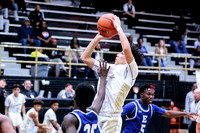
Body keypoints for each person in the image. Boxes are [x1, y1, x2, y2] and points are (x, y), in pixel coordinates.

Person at [80, 16, 144, 132]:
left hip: (111, 118)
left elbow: (126, 48)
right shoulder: (108, 67)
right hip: (96, 114)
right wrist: (97, 38)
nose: (118, 54)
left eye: (122, 54)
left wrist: (118, 28)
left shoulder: (131, 71)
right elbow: (84, 57)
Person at [121, 84, 198, 133]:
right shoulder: (132, 106)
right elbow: (117, 114)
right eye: (148, 94)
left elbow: (168, 113)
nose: (151, 97)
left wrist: (186, 113)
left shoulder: (152, 107)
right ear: (142, 95)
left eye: (152, 95)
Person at [62, 60, 109, 132]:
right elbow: (101, 97)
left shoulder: (71, 118)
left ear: (74, 96)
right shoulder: (94, 112)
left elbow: (101, 97)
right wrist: (103, 77)